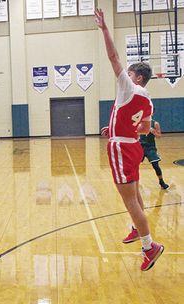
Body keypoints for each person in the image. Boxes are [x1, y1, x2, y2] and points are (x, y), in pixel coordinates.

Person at [96, 8, 163, 271]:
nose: (125, 75)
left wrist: (104, 29)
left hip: (121, 149)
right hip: (133, 146)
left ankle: (150, 247)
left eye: (130, 73)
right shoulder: (148, 99)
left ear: (136, 77)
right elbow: (145, 129)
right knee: (134, 194)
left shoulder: (128, 86)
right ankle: (137, 229)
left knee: (130, 201)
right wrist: (115, 127)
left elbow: (113, 57)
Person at [139, 116, 169, 189]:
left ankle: (161, 182)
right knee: (134, 166)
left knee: (155, 165)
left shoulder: (155, 123)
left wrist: (154, 131)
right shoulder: (139, 122)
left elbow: (159, 136)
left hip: (150, 147)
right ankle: (133, 181)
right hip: (140, 147)